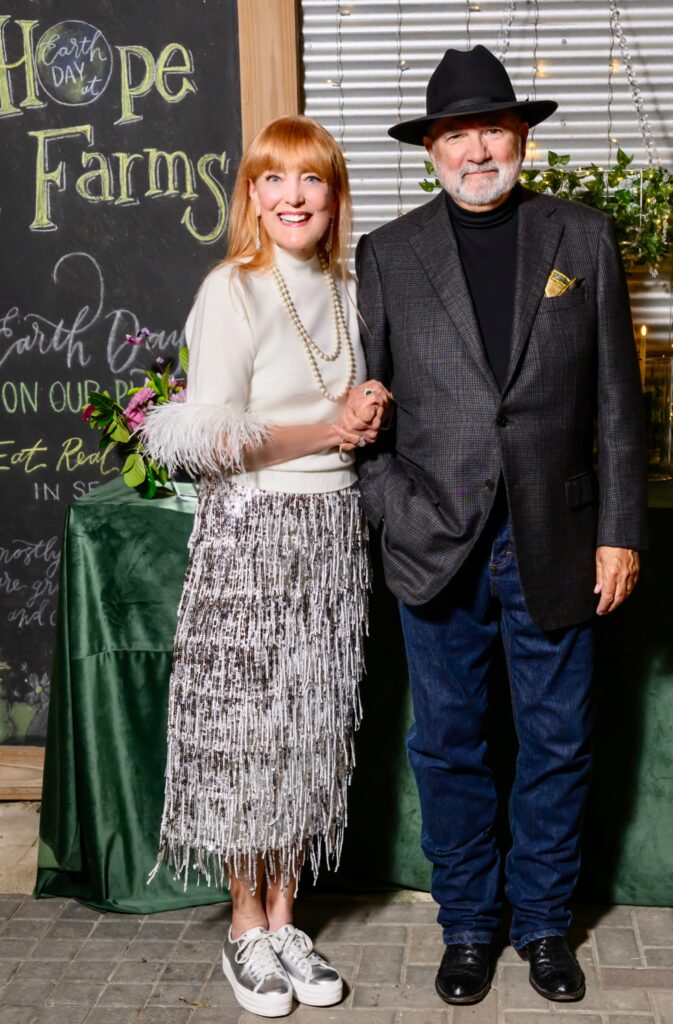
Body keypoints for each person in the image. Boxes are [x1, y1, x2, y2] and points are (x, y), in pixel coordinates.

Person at [354, 46, 647, 1007]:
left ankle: (542, 925)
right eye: (454, 133)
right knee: (447, 745)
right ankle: (470, 926)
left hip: (556, 539)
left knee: (557, 740)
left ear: (519, 136)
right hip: (434, 540)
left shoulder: (582, 238)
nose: (474, 147)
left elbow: (617, 401)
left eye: (490, 128)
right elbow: (369, 412)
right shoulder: (389, 254)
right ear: (430, 148)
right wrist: (394, 510)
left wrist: (620, 529)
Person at [142, 115, 390, 1019]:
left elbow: (340, 397)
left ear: (333, 196)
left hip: (330, 530)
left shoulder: (347, 286)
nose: (292, 197)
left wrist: (364, 406)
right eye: (273, 181)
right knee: (248, 736)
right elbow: (206, 438)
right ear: (250, 195)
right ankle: (245, 926)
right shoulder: (232, 289)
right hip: (250, 536)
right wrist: (329, 425)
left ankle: (288, 917)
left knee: (305, 729)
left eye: (311, 181)